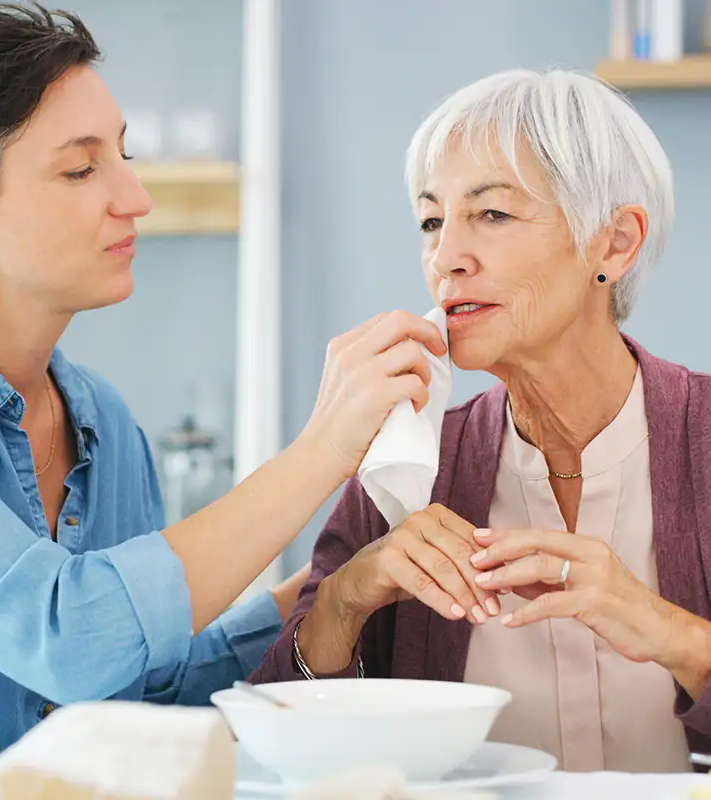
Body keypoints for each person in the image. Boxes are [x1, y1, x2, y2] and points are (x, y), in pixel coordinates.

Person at [0, 4, 445, 765]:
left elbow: (148, 695)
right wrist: (322, 449)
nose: (135, 198)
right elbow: (65, 637)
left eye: (123, 155)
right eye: (81, 167)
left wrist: (338, 586)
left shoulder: (105, 423)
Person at [251, 68, 711, 773]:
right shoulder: (405, 465)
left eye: (491, 215)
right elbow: (281, 744)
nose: (444, 258)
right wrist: (344, 601)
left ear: (614, 243)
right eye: (432, 220)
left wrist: (672, 634)